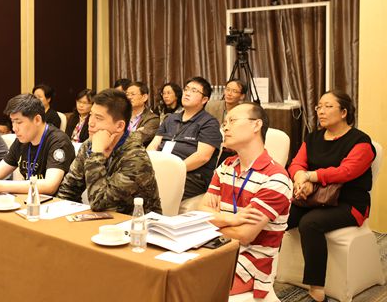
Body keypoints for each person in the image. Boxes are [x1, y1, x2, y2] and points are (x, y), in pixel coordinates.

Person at [287, 90, 376, 302]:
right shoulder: (313, 138)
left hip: (349, 204)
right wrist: (301, 179)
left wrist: (311, 176)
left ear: (344, 112)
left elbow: (346, 172)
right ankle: (261, 269)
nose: (321, 111)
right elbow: (296, 164)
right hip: (314, 198)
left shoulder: (361, 142)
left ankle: (316, 290)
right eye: (319, 106)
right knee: (281, 214)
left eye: (328, 106)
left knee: (310, 223)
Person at [199, 102, 292, 299]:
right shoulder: (226, 166)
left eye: (232, 121)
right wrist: (231, 219)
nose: (225, 128)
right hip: (216, 248)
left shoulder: (276, 178)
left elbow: (245, 235)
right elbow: (202, 211)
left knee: (190, 286)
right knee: (168, 271)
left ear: (256, 125)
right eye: (224, 123)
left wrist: (211, 223)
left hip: (251, 264)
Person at [57, 89, 162, 214]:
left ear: (119, 126)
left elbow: (100, 204)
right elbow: (68, 190)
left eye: (99, 118)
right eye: (91, 115)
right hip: (102, 221)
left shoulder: (136, 157)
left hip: (136, 223)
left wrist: (96, 155)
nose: (90, 123)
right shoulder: (89, 145)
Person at [0, 93, 75, 195]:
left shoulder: (58, 141)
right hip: (31, 199)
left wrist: (1, 186)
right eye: (12, 122)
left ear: (37, 119)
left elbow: (49, 186)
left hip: (58, 204)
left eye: (19, 122)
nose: (14, 128)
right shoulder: (23, 140)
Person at [147, 76, 222, 200]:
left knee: (153, 187)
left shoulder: (209, 123)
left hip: (191, 175)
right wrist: (150, 164)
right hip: (162, 168)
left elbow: (202, 157)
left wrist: (174, 169)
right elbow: (154, 144)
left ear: (204, 99)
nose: (187, 93)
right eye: (186, 89)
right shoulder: (170, 119)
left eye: (194, 90)